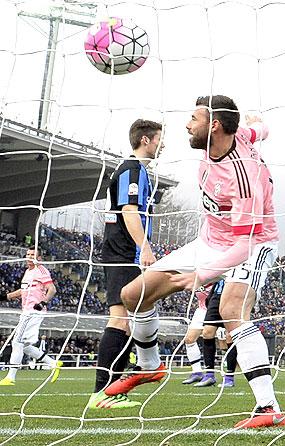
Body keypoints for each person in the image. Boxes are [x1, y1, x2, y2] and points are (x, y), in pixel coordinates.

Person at [107, 95, 285, 428]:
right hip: (209, 241)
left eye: (193, 119)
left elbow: (244, 243)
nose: (187, 125)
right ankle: (150, 366)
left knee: (232, 310)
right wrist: (257, 123)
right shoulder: (235, 136)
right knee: (134, 295)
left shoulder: (242, 176)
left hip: (251, 243)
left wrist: (205, 274)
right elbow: (260, 130)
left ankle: (268, 407)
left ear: (214, 126)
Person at [86, 119, 164, 409]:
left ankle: (113, 388)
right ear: (145, 140)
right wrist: (144, 247)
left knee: (128, 324)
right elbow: (130, 211)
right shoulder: (132, 169)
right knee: (119, 320)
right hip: (123, 254)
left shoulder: (135, 170)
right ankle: (102, 391)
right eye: (159, 138)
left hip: (121, 253)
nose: (162, 144)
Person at [0, 248, 62, 385]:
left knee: (17, 342)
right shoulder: (28, 272)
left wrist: (43, 302)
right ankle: (53, 363)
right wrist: (5, 297)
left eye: (32, 255)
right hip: (27, 311)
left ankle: (11, 377)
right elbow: (23, 291)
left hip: (33, 312)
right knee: (26, 345)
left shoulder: (41, 270)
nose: (29, 257)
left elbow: (52, 289)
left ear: (39, 258)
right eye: (28, 254)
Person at [181, 285, 212, 386]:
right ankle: (197, 372)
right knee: (189, 340)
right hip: (202, 310)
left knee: (225, 343)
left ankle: (230, 375)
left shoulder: (217, 274)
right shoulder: (196, 275)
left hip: (218, 309)